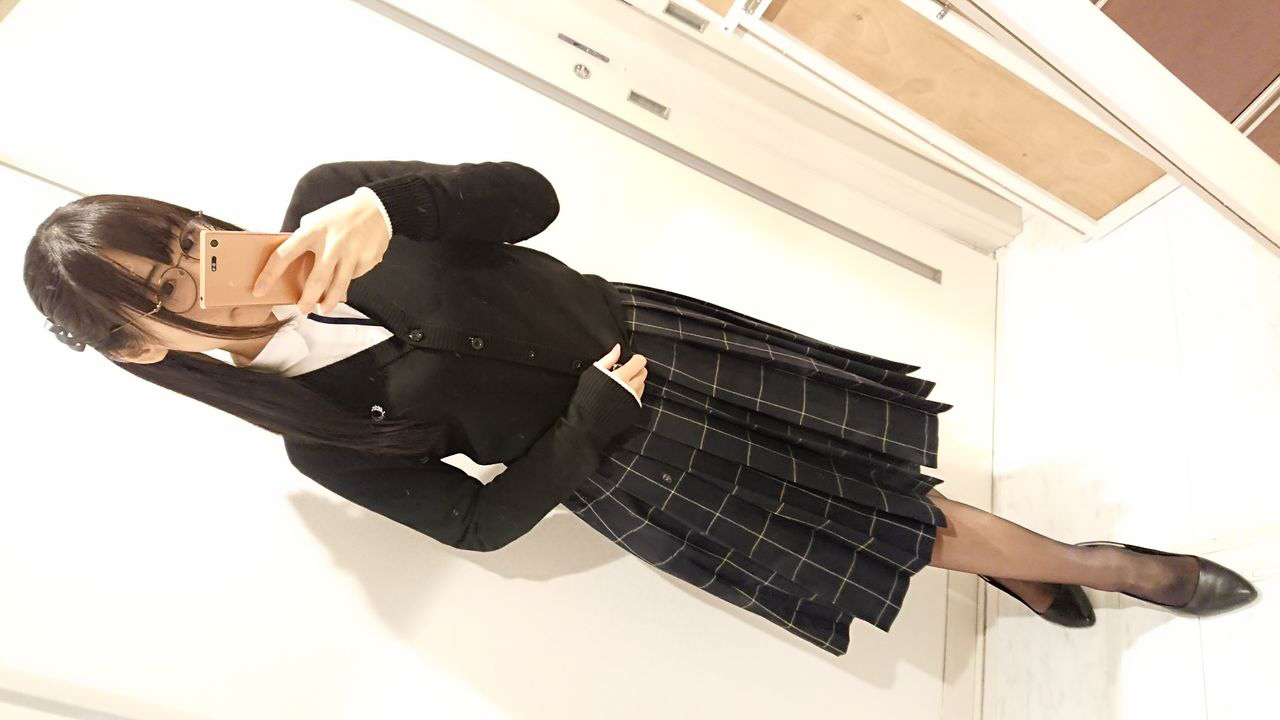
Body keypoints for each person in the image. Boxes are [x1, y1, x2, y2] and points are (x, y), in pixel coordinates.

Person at [23, 160, 1258, 656]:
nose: (205, 270)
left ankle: (1025, 572)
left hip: (658, 338)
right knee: (886, 523)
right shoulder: (318, 434)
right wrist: (586, 429)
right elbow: (475, 526)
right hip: (629, 459)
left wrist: (393, 203)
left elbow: (531, 199)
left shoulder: (336, 203)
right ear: (140, 346)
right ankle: (1107, 566)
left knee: (870, 464)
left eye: (179, 239)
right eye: (165, 290)